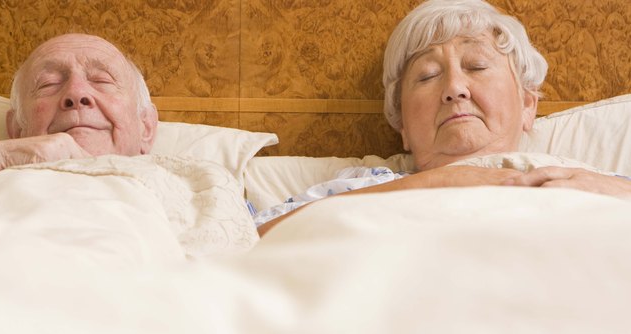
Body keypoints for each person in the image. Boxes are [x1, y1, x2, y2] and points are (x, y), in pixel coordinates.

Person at [256, 0, 631, 236]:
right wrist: (436, 182)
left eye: (478, 66)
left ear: (528, 105)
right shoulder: (358, 189)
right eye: (427, 76)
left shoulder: (590, 179)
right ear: (402, 126)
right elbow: (249, 239)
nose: (455, 88)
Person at [0, 33, 159, 176]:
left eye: (102, 80)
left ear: (146, 126)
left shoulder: (193, 184)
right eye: (48, 84)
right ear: (17, 129)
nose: (76, 93)